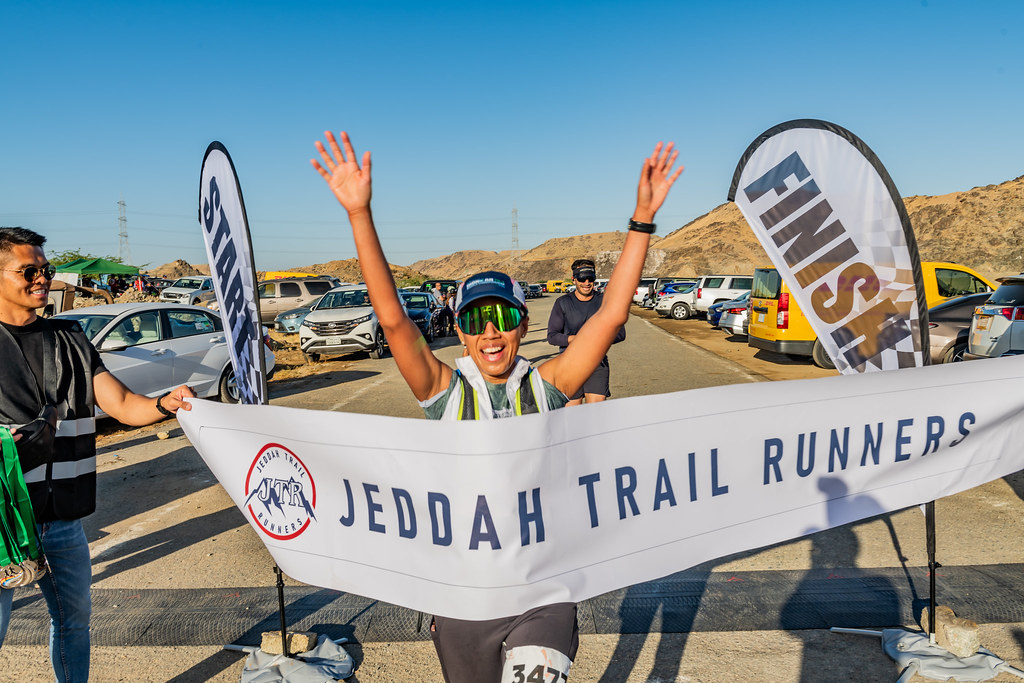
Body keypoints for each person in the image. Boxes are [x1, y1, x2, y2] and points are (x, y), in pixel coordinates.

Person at [312, 130, 682, 682]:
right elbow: (393, 321)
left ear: (523, 325)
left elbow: (608, 318)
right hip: (465, 596)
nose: (491, 332)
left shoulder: (547, 384)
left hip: (543, 592)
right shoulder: (447, 392)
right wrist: (360, 214)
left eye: (504, 318)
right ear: (459, 332)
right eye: (476, 321)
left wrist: (642, 221)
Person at [0, 227, 195, 683]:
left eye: (45, 270)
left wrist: (166, 403)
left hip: (64, 519)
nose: (41, 279)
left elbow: (124, 406)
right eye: (28, 271)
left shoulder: (71, 339)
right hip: (4, 525)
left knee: (74, 624)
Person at [546, 258, 625, 406]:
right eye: (582, 278)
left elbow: (620, 333)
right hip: (569, 364)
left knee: (596, 414)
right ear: (574, 279)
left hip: (597, 364)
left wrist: (597, 338)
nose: (587, 283)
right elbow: (552, 336)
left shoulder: (605, 302)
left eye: (591, 278)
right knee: (572, 416)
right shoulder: (562, 303)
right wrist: (574, 339)